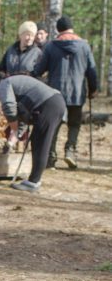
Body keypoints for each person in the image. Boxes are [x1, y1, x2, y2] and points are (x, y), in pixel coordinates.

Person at [33, 15, 97, 169]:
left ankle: (51, 157)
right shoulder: (84, 46)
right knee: (74, 124)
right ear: (72, 27)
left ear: (58, 30)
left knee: (54, 124)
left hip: (56, 93)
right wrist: (93, 89)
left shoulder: (51, 46)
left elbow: (39, 70)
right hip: (77, 92)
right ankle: (70, 150)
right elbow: (92, 71)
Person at [0, 74, 66, 193]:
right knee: (36, 141)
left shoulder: (4, 84)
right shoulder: (18, 88)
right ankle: (33, 180)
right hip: (54, 102)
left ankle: (33, 183)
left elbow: (9, 107)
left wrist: (13, 129)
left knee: (41, 144)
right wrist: (13, 140)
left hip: (49, 104)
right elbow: (22, 119)